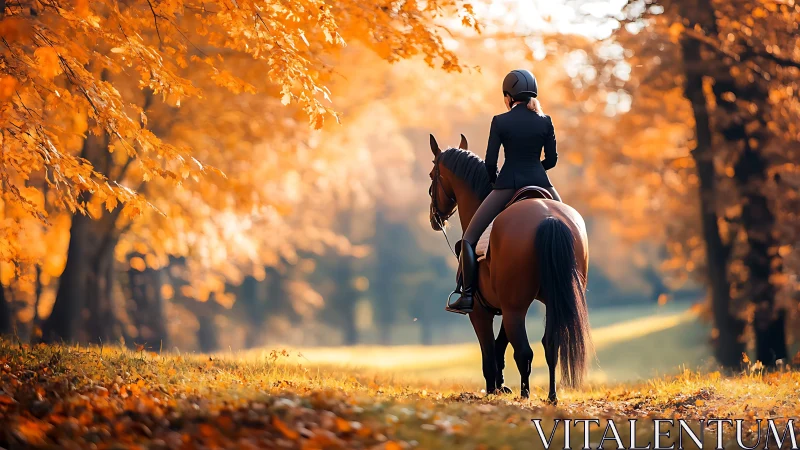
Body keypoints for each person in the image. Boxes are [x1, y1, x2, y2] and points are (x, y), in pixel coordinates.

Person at [447, 69, 562, 314]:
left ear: (509, 96)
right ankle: (572, 286)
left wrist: (495, 180)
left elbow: (490, 163)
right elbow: (551, 160)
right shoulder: (546, 120)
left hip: (508, 184)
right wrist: (535, 171)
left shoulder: (501, 121)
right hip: (543, 183)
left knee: (469, 238)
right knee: (568, 226)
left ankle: (466, 295)